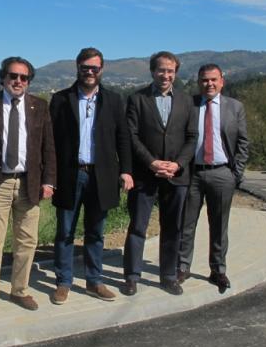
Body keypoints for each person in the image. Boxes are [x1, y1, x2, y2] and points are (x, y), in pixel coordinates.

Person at [0, 56, 56, 313]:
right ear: (3, 77)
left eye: (24, 77)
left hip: (30, 183)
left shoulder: (40, 106)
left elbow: (48, 147)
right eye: (13, 76)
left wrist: (49, 181)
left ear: (29, 81)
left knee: (27, 241)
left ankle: (20, 291)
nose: (18, 81)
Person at [49, 47, 133, 305]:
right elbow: (50, 142)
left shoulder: (114, 100)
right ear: (78, 68)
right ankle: (63, 282)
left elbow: (123, 138)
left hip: (102, 176)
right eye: (85, 67)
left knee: (96, 232)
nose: (89, 72)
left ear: (101, 69)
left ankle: (94, 281)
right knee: (65, 232)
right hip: (70, 175)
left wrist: (126, 170)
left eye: (94, 68)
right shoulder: (61, 99)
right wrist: (48, 176)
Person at [122, 51, 197, 297]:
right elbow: (131, 136)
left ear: (176, 73)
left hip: (176, 176)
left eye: (170, 71)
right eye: (161, 70)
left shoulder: (186, 101)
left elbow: (192, 137)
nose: (166, 75)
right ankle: (131, 277)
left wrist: (178, 164)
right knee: (138, 227)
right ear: (153, 71)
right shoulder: (137, 99)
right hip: (145, 175)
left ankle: (168, 277)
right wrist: (152, 162)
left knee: (172, 228)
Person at [178, 63, 248, 294]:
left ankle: (218, 270)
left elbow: (243, 143)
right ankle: (183, 266)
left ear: (222, 81)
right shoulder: (189, 105)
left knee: (219, 225)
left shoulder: (234, 107)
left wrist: (235, 174)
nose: (209, 84)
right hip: (193, 173)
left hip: (222, 173)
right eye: (204, 80)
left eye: (213, 79)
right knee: (186, 223)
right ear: (199, 82)